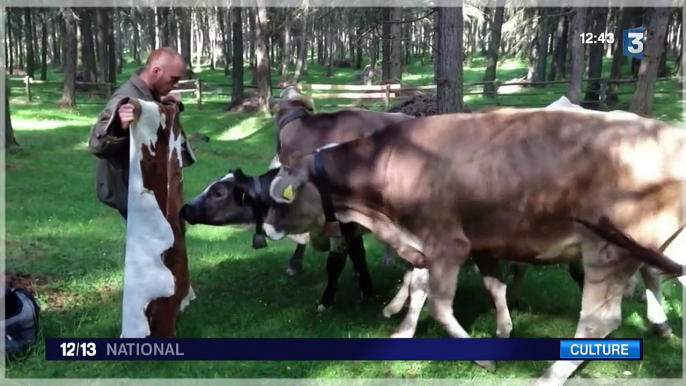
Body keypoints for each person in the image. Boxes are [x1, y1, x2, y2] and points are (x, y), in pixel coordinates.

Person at [88, 47, 196, 220]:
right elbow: (96, 144)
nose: (175, 85)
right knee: (150, 245)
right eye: (173, 79)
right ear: (156, 71)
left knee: (159, 243)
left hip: (147, 189)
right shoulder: (126, 97)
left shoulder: (148, 94)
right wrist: (118, 125)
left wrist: (161, 104)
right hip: (131, 190)